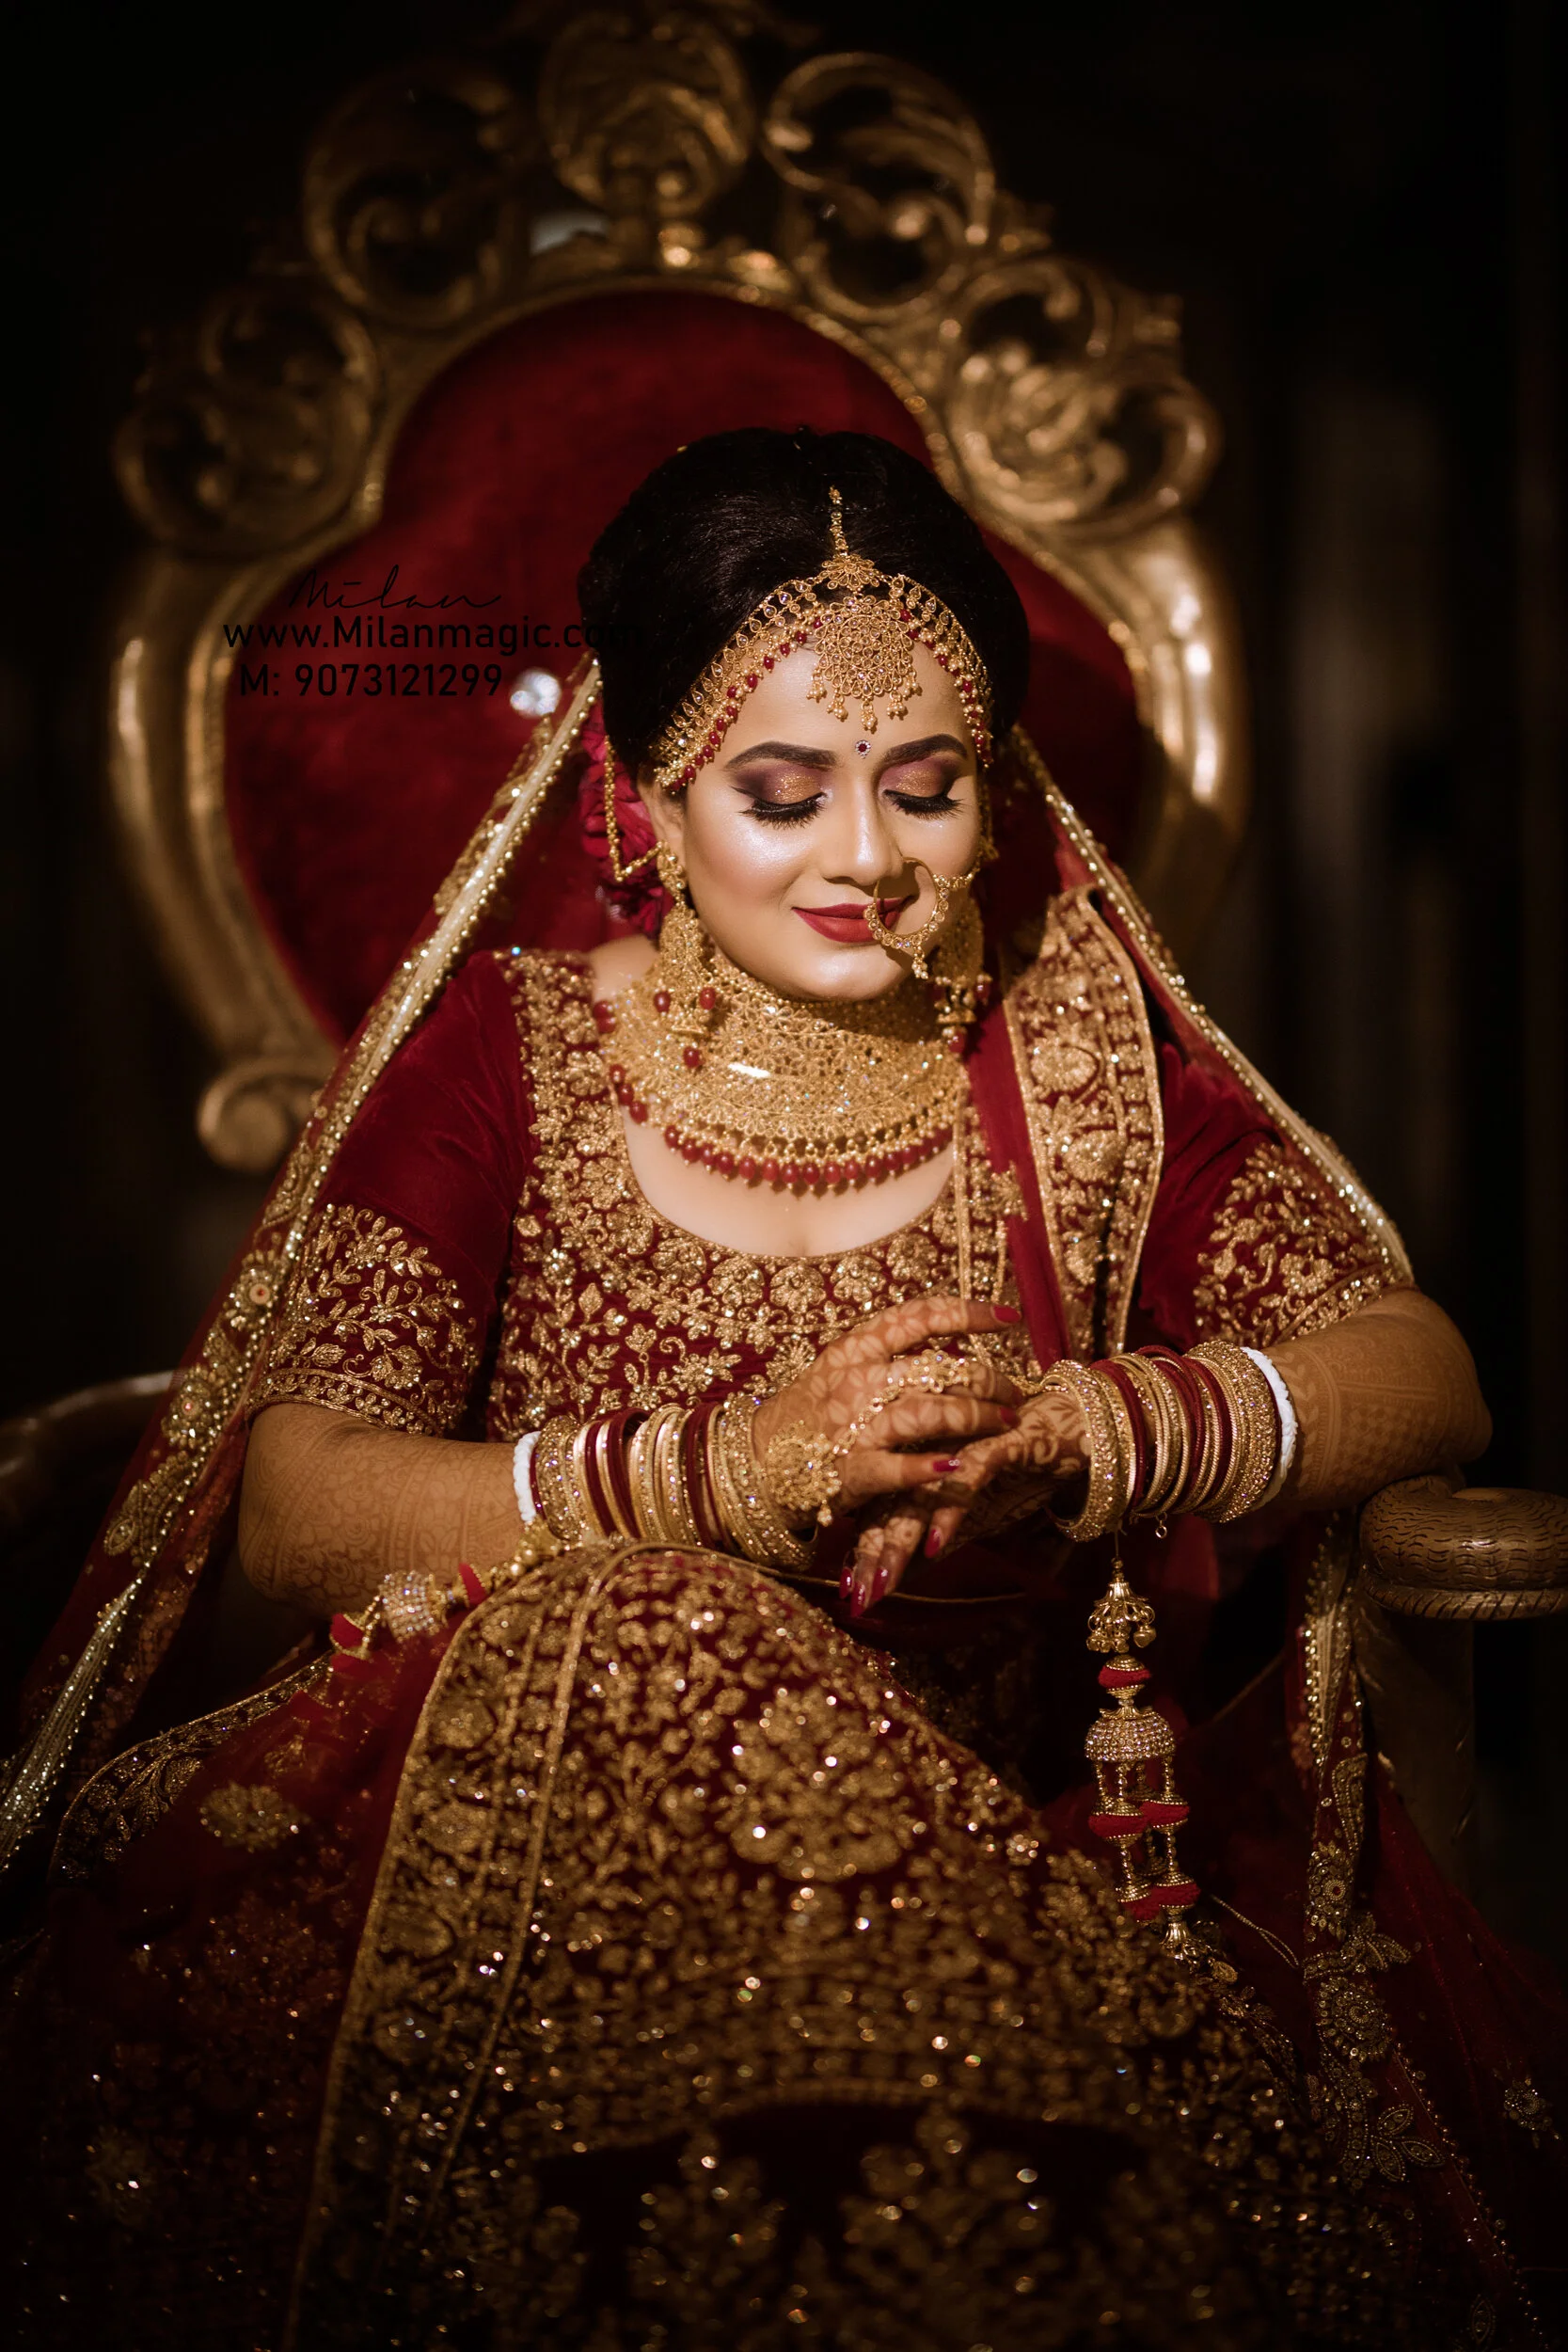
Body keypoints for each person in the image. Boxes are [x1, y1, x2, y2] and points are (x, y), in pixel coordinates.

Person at [3, 430, 1560, 2349]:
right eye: (778, 789)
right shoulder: (510, 1064)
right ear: (638, 791)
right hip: (525, 1876)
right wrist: (717, 1472)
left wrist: (1093, 1426)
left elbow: (1420, 1371)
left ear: (990, 793)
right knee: (655, 1623)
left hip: (996, 1861)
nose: (864, 857)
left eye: (923, 787)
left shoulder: (1079, 1065)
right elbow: (304, 1493)